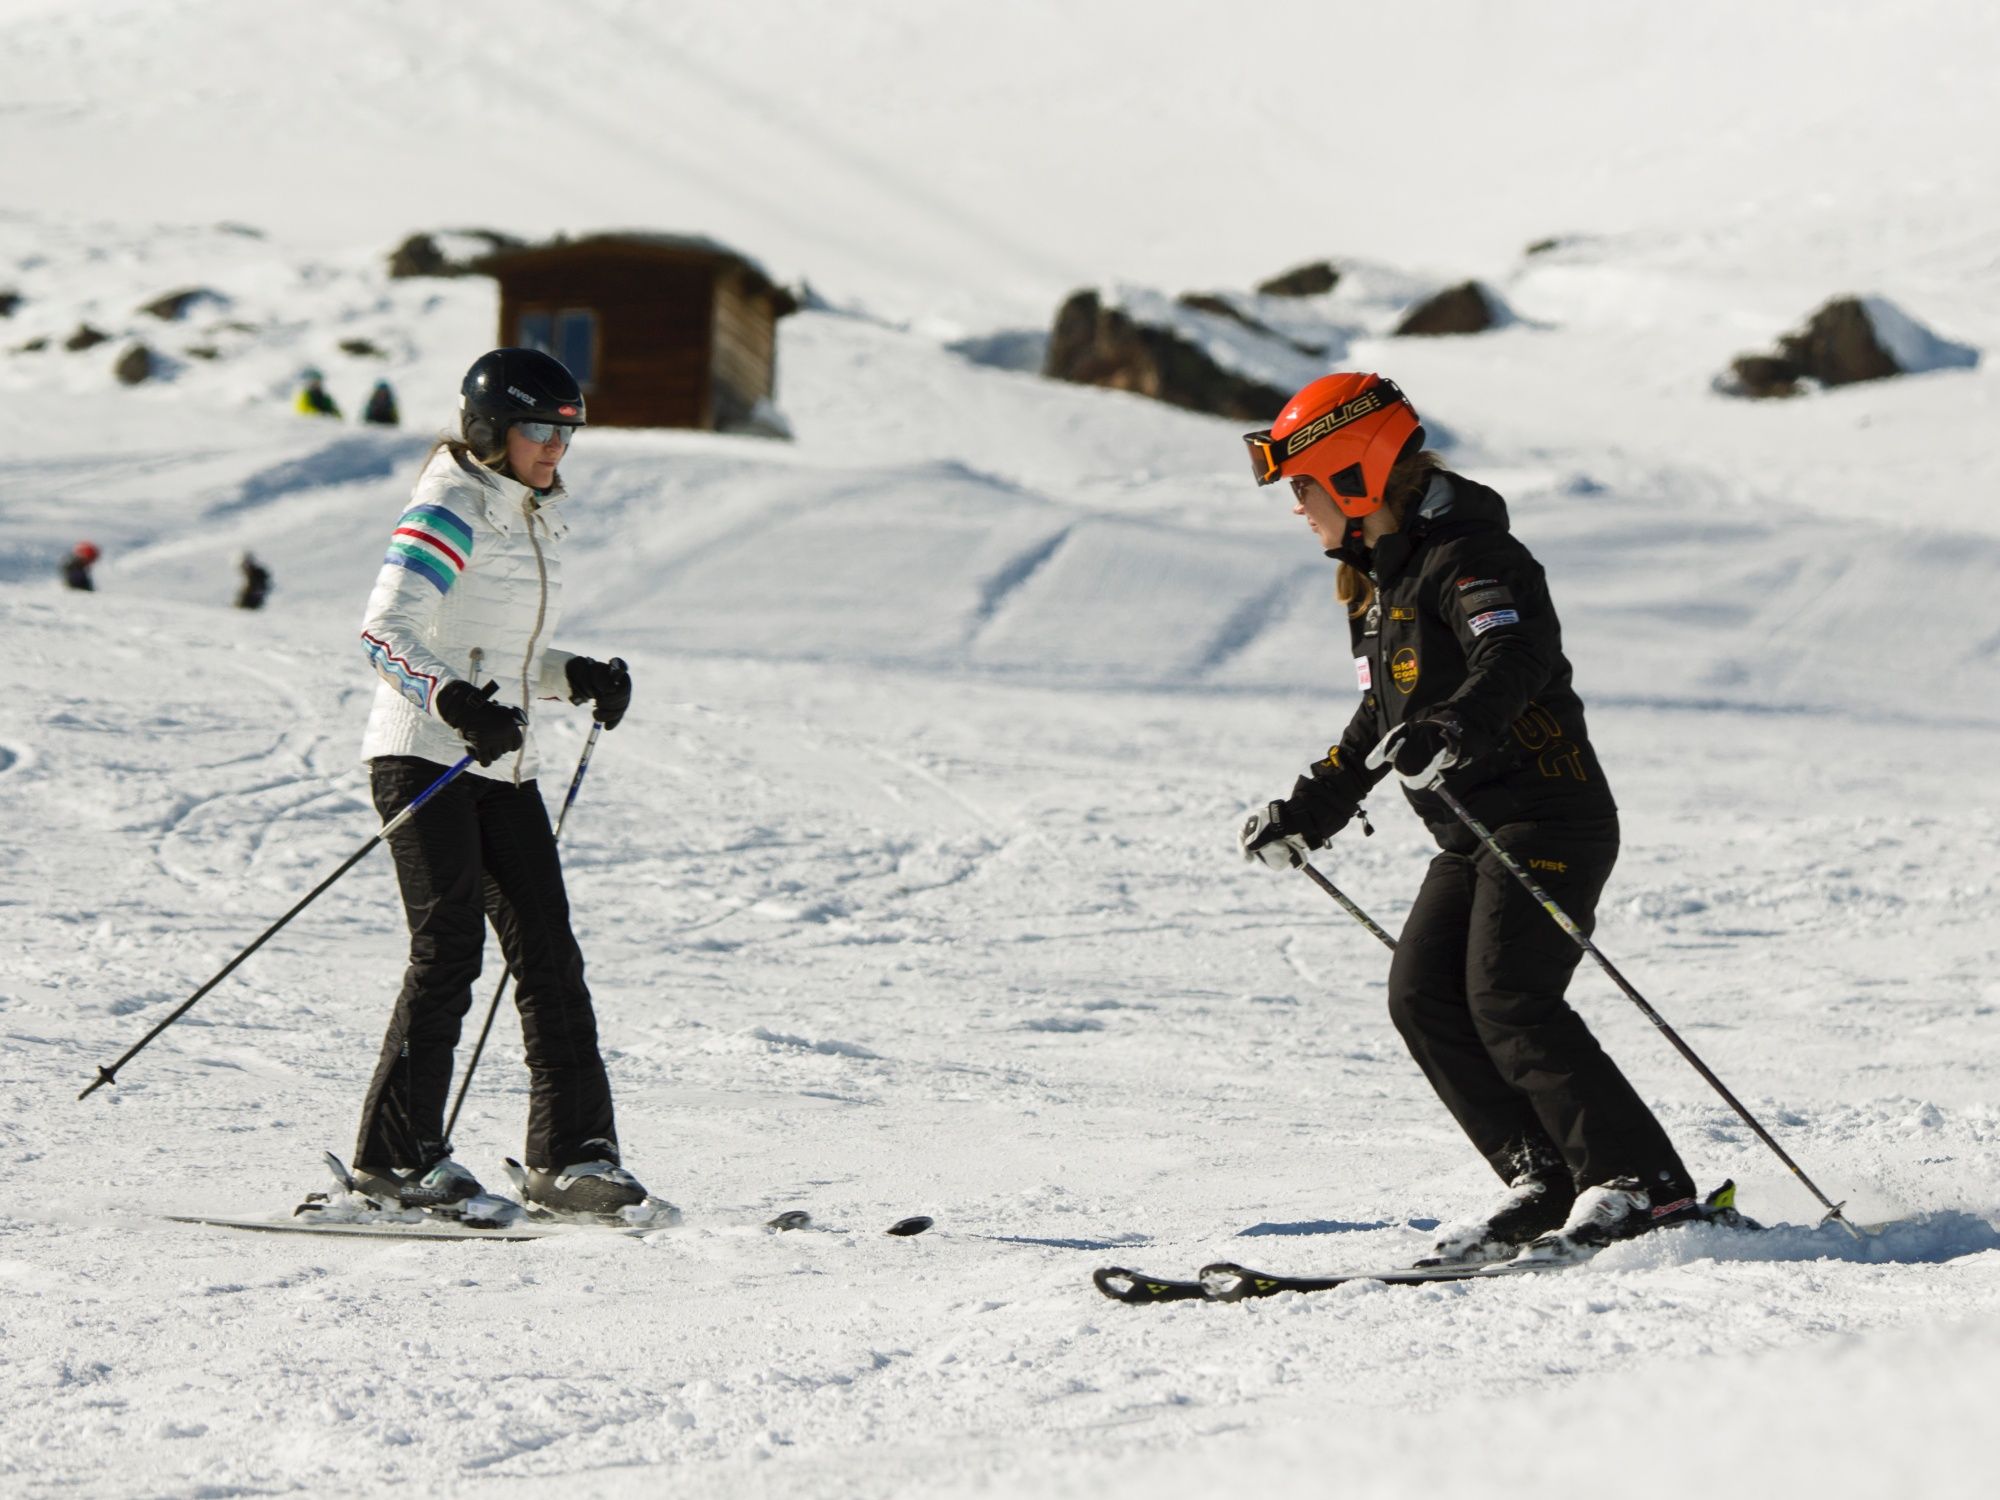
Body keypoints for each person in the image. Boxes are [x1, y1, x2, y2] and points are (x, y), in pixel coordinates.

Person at [1236, 372, 1701, 1266]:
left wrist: (1457, 724)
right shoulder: (1382, 583)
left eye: (1300, 488)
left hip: (1545, 814)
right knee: (1423, 996)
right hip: (1471, 828)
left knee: (1510, 997)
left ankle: (1644, 1184)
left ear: (1353, 473)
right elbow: (1380, 722)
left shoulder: (1469, 557)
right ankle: (1547, 1180)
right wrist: (1308, 814)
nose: (1297, 510)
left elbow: (1514, 650)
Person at [353, 347, 642, 1217]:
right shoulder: (451, 502)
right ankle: (393, 1162)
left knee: (550, 954)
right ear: (488, 430)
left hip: (502, 765)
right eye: (538, 430)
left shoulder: (529, 514)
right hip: (424, 758)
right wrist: (450, 701)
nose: (556, 447)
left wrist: (573, 674)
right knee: (449, 955)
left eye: (566, 432)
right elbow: (385, 630)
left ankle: (573, 1155)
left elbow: (498, 657)